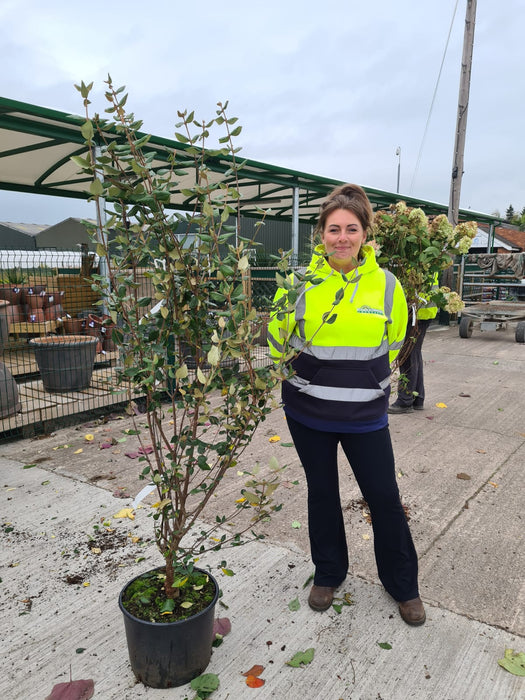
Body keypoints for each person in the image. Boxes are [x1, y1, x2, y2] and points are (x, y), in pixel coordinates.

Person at [268, 184, 425, 626]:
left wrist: (364, 380)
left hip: (365, 416)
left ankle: (403, 586)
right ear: (320, 234)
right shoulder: (300, 285)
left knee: (385, 497)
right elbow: (277, 339)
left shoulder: (388, 286)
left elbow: (395, 341)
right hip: (307, 413)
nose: (342, 237)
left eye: (351, 229)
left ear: (364, 233)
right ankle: (329, 573)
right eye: (333, 229)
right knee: (322, 494)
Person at [388, 274, 439, 414]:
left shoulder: (413, 259)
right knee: (414, 354)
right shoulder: (426, 258)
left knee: (407, 355)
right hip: (424, 311)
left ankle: (405, 401)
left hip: (416, 313)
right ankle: (417, 398)